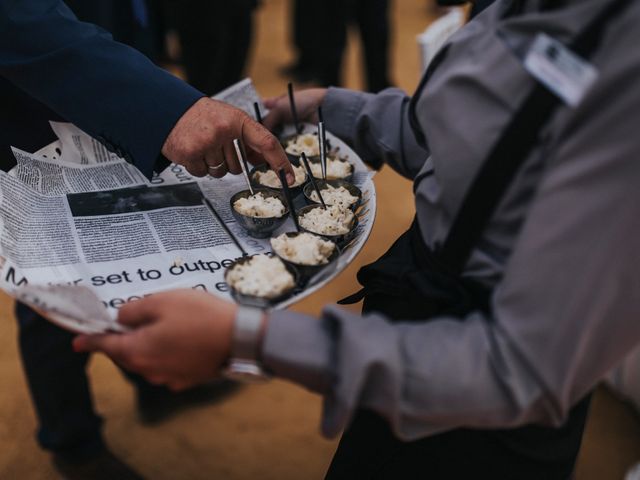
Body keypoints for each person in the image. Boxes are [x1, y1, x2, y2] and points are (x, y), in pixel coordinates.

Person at [75, 0, 640, 478]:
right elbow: (472, 143)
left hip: (480, 407)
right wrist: (344, 111)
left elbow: (522, 373)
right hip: (405, 328)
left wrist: (251, 339)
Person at [0, 1, 292, 478]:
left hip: (121, 54)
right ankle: (71, 439)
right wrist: (165, 107)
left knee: (134, 235)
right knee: (55, 279)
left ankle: (151, 384)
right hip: (33, 95)